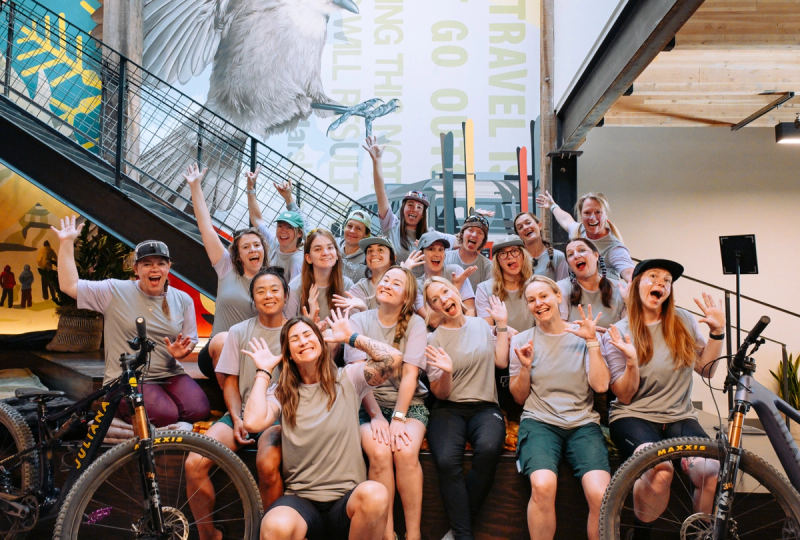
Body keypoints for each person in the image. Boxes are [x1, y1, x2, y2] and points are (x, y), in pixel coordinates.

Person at [242, 312, 405, 540]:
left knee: (376, 494)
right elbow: (253, 422)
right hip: (302, 502)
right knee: (274, 526)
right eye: (294, 339)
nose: (303, 341)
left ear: (320, 340)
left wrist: (352, 337)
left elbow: (394, 358)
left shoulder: (349, 378)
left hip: (346, 503)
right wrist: (263, 372)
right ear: (288, 353)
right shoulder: (282, 392)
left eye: (308, 334)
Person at [600, 259, 725, 538]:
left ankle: (699, 534)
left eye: (667, 280)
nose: (661, 283)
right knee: (660, 469)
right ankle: (641, 535)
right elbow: (624, 394)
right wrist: (632, 361)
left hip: (680, 417)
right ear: (635, 286)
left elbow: (706, 370)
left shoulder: (684, 320)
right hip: (633, 417)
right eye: (652, 276)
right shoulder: (618, 332)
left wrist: (717, 333)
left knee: (711, 470)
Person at [53, 217, 209, 427]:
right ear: (136, 269)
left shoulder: (183, 299)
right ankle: (119, 411)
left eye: (161, 264)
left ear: (168, 267)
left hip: (169, 373)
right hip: (126, 378)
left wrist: (184, 351)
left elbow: (190, 338)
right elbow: (69, 285)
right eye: (147, 264)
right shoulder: (114, 291)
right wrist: (66, 243)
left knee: (199, 410)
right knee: (166, 416)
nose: (155, 269)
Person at [185, 267, 289, 540]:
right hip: (242, 411)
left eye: (275, 289)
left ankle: (271, 532)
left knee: (267, 465)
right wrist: (237, 418)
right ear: (253, 300)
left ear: (286, 296)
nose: (268, 296)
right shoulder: (239, 331)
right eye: (261, 291)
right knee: (194, 464)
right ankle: (208, 534)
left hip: (280, 417)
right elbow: (230, 382)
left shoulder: (295, 332)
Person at [509, 276, 612, 540]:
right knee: (542, 486)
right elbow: (519, 398)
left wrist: (592, 342)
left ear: (558, 296)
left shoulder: (581, 334)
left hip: (583, 425)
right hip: (539, 423)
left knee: (601, 494)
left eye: (543, 296)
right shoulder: (521, 340)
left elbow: (600, 386)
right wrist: (525, 367)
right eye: (531, 300)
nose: (538, 303)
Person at [344, 266, 428, 540]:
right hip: (366, 405)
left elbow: (411, 376)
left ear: (406, 297)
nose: (388, 285)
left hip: (408, 405)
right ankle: (387, 533)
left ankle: (413, 534)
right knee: (380, 453)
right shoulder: (357, 321)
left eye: (397, 283)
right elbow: (358, 375)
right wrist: (378, 416)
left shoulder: (415, 323)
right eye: (386, 280)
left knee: (404, 452)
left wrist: (398, 418)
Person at [423, 277, 509, 540]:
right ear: (433, 308)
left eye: (445, 292)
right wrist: (446, 373)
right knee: (447, 461)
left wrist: (502, 325)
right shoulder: (432, 339)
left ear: (456, 291)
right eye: (435, 300)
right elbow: (440, 392)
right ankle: (464, 535)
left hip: (485, 407)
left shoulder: (482, 326)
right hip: (448, 408)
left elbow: (501, 362)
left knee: (490, 449)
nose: (443, 300)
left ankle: (460, 530)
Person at [186, 163, 270, 390]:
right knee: (223, 341)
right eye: (246, 247)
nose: (253, 250)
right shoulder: (226, 268)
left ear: (263, 250)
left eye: (257, 245)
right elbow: (206, 228)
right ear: (238, 254)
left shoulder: (272, 283)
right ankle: (233, 408)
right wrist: (196, 187)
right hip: (219, 353)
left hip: (254, 355)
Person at [363, 135, 456, 271]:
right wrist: (376, 161)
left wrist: (476, 220)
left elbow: (460, 240)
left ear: (423, 214)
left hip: (421, 288)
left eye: (419, 207)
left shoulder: (430, 235)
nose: (414, 210)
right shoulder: (391, 225)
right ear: (403, 208)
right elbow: (380, 192)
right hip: (396, 285)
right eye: (410, 205)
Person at [536, 191, 635, 282]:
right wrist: (552, 206)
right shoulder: (579, 231)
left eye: (598, 212)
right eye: (587, 213)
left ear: (606, 214)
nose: (592, 218)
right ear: (581, 215)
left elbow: (630, 274)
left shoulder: (614, 248)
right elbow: (565, 219)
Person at [246, 167, 305, 282]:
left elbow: (293, 296)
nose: (283, 230)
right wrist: (250, 188)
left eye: (289, 227)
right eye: (280, 226)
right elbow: (257, 220)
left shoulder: (297, 262)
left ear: (299, 234)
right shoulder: (275, 242)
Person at [284, 229, 354, 322]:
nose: (325, 253)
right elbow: (288, 328)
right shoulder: (294, 288)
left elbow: (353, 325)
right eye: (318, 249)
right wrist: (310, 324)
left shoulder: (347, 285)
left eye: (330, 248)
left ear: (337, 254)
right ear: (308, 258)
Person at [557, 238, 626, 331]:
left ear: (596, 255)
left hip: (612, 344)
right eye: (570, 254)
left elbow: (628, 329)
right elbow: (559, 327)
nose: (576, 256)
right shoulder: (561, 288)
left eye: (582, 250)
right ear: (569, 265)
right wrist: (595, 334)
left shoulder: (621, 289)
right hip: (575, 344)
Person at [405, 232, 475, 319]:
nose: (437, 254)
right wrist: (455, 289)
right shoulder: (417, 285)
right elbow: (431, 320)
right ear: (421, 255)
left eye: (441, 250)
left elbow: (470, 309)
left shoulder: (455, 271)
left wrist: (467, 330)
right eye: (431, 249)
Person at [475, 235, 535, 334]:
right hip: (500, 345)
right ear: (497, 261)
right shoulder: (484, 289)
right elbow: (486, 329)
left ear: (523, 255)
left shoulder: (537, 284)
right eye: (503, 253)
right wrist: (501, 329)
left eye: (515, 251)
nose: (510, 256)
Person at [335, 236, 396, 312]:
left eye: (380, 250)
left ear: (393, 257)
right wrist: (363, 308)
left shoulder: (404, 286)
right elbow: (356, 322)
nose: (373, 253)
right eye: (370, 251)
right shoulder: (357, 289)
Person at [513, 212, 568, 281]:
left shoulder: (558, 256)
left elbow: (563, 288)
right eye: (520, 227)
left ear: (540, 225)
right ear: (519, 236)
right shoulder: (517, 260)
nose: (525, 227)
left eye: (528, 223)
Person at [444, 214, 493, 291]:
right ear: (462, 234)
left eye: (480, 233)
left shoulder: (487, 266)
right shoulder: (445, 257)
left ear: (483, 240)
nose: (474, 235)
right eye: (470, 230)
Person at [337, 208, 373, 282]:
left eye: (358, 228)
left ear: (366, 234)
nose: (352, 231)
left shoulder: (369, 260)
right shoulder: (332, 246)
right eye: (349, 226)